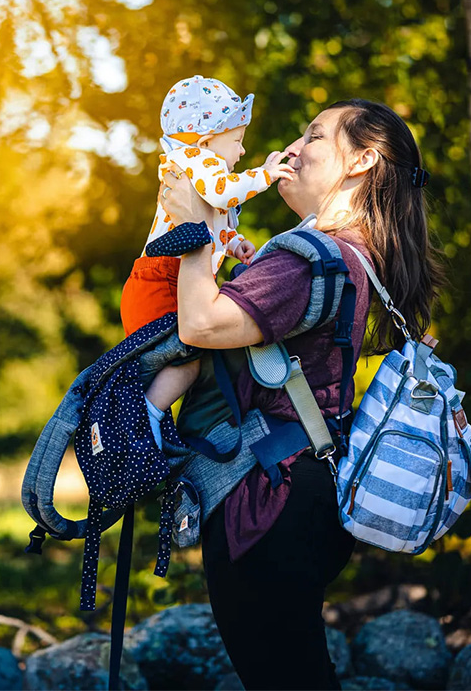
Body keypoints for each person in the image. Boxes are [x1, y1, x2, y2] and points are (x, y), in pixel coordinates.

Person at [158, 98, 444, 690]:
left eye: (314, 136)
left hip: (264, 500)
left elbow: (201, 325)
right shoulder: (363, 258)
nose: (292, 149)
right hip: (310, 491)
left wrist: (190, 229)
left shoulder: (309, 260)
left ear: (362, 160)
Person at [120, 75, 293, 448]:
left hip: (164, 278)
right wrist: (266, 174)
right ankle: (142, 422)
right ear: (205, 140)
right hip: (161, 279)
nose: (242, 152)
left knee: (184, 362)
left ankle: (148, 419)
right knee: (186, 361)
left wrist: (233, 244)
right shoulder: (195, 160)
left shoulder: (196, 167)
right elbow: (224, 192)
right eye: (237, 141)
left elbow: (210, 223)